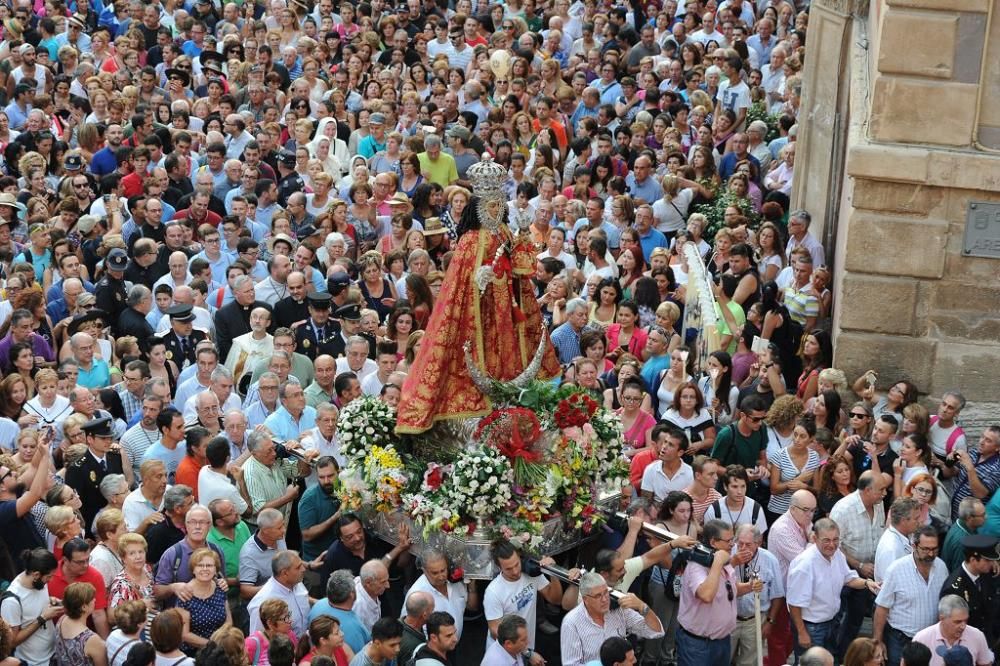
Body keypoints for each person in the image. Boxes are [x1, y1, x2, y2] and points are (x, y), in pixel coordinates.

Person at [396, 158, 560, 433]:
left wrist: (521, 238)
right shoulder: (470, 241)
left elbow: (524, 268)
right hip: (478, 313)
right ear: (479, 208)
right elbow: (458, 285)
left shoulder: (506, 232)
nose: (496, 210)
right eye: (491, 205)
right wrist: (477, 281)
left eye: (499, 205)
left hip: (506, 309)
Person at [787, 518, 879, 660]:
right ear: (814, 538)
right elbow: (794, 604)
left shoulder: (837, 555)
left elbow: (849, 579)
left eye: (835, 539)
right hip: (811, 628)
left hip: (831, 623)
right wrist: (802, 632)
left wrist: (867, 583)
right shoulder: (804, 566)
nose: (832, 545)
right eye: (826, 540)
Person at [675, 520, 757, 666]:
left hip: (722, 641)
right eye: (728, 541)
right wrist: (718, 563)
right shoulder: (696, 566)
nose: (733, 544)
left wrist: (750, 586)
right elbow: (706, 595)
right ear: (713, 542)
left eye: (733, 540)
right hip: (698, 645)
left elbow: (730, 590)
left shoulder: (722, 561)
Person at [873, 526, 950, 666]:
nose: (931, 554)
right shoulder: (896, 570)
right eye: (926, 549)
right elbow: (882, 607)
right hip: (901, 640)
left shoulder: (941, 568)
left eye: (934, 549)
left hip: (930, 640)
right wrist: (878, 641)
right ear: (914, 546)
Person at [828, 471, 888, 654]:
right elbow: (832, 546)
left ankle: (846, 655)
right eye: (882, 489)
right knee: (837, 618)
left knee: (856, 618)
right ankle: (832, 657)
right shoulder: (843, 510)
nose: (885, 493)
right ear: (868, 490)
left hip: (868, 575)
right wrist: (859, 565)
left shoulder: (878, 504)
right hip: (844, 572)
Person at [484, 540, 565, 664]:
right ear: (499, 567)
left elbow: (555, 599)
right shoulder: (493, 591)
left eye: (517, 565)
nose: (515, 571)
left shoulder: (531, 574)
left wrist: (552, 571)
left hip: (525, 647)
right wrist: (527, 653)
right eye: (509, 569)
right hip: (504, 656)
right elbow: (496, 632)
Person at [559, 571, 663, 666]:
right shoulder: (571, 623)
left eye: (605, 592)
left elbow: (656, 631)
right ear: (586, 599)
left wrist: (642, 607)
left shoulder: (618, 610)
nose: (604, 599)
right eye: (598, 596)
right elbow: (571, 664)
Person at [729, 524, 785, 666]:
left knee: (749, 662)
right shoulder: (728, 554)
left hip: (755, 620)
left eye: (748, 544)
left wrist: (770, 622)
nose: (742, 548)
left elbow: (777, 595)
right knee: (723, 659)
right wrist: (733, 562)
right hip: (729, 618)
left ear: (758, 542)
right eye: (740, 543)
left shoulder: (770, 560)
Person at [0, 548, 63, 666]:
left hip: (53, 655)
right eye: (49, 576)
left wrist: (51, 600)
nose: (51, 580)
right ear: (36, 574)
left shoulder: (39, 583)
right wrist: (42, 618)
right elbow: (12, 641)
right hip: (33, 662)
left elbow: (34, 602)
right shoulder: (11, 601)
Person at [940, 534, 1000, 649]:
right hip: (967, 645)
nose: (992, 563)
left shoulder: (987, 573)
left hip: (990, 640)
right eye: (987, 560)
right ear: (973, 560)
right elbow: (952, 626)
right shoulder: (954, 588)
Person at [912, 595, 994, 666]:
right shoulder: (922, 639)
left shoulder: (977, 636)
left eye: (965, 620)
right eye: (957, 622)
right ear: (942, 618)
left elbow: (985, 664)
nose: (963, 626)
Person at [53, 581, 106, 666]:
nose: (95, 600)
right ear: (84, 607)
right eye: (92, 598)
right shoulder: (92, 640)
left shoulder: (62, 620)